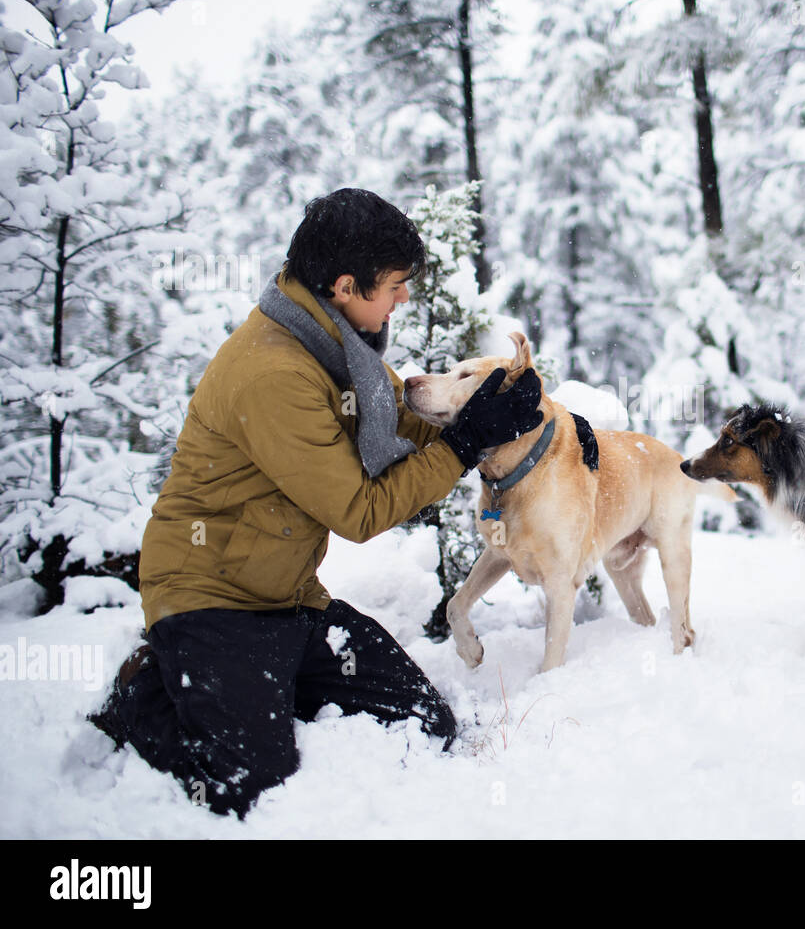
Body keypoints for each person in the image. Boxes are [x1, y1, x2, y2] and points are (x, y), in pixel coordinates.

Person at [89, 188, 543, 818]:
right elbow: (358, 512)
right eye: (394, 285)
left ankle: (261, 689)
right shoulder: (275, 373)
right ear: (345, 285)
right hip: (209, 599)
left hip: (287, 600)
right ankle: (143, 689)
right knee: (248, 783)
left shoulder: (335, 346)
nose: (403, 297)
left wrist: (481, 416)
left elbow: (408, 427)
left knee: (422, 719)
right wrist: (463, 448)